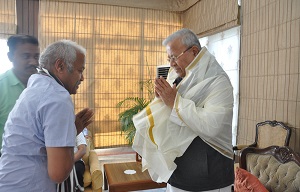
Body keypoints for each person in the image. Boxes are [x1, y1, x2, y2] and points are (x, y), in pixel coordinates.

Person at [132, 28, 234, 192]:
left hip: (208, 174)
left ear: (194, 51)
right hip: (178, 170)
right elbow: (171, 110)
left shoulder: (217, 81)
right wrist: (161, 100)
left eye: (174, 57)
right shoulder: (178, 75)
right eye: (169, 58)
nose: (171, 63)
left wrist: (174, 102)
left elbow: (212, 125)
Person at [0, 40, 94, 191]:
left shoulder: (37, 87)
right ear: (60, 66)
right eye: (80, 70)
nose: (82, 78)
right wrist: (70, 134)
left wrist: (72, 130)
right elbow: (59, 173)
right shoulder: (57, 96)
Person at [0, 34, 40, 155]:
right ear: (10, 57)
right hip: (7, 162)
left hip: (40, 160)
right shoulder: (2, 86)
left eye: (36, 56)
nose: (33, 62)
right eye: (26, 56)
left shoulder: (45, 85)